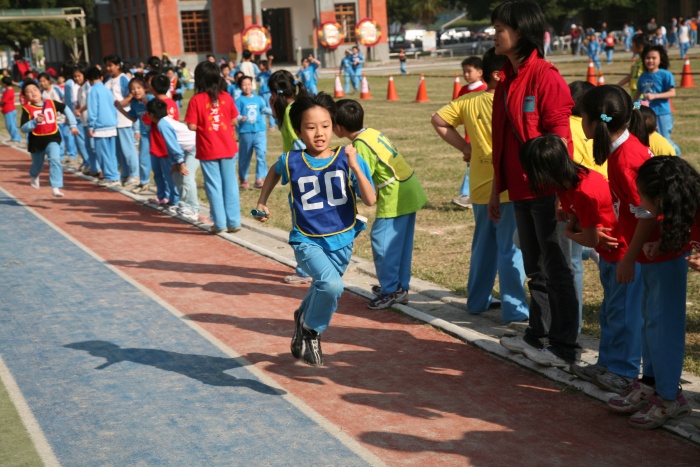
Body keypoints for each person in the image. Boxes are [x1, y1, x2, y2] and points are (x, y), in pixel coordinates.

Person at [253, 92, 376, 366]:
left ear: (335, 126)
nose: (319, 133)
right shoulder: (291, 160)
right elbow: (274, 170)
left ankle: (302, 317)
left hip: (343, 238)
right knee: (332, 284)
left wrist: (355, 167)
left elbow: (370, 200)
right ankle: (311, 330)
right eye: (310, 127)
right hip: (306, 239)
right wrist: (262, 202)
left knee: (324, 286)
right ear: (298, 131)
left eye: (325, 126)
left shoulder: (347, 157)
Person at [489, 1, 581, 368]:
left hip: (546, 190)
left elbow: (561, 141)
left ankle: (564, 347)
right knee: (535, 268)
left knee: (557, 268)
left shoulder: (545, 76)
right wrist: (496, 188)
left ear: (522, 32)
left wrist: (562, 193)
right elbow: (501, 141)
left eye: (500, 28)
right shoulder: (506, 79)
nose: (494, 34)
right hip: (520, 190)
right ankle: (537, 335)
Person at [577, 85, 671, 398]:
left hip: (639, 251)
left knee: (629, 315)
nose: (580, 123)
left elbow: (648, 212)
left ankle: (624, 372)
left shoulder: (626, 158)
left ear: (595, 122)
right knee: (615, 310)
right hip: (630, 246)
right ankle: (611, 363)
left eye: (582, 117)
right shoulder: (621, 151)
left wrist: (629, 257)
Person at [432, 48, 528, 323]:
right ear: (498, 75)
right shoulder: (511, 100)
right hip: (507, 187)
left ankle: (476, 301)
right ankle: (515, 309)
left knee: (483, 246)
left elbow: (438, 120)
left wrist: (465, 147)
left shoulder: (468, 101)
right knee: (510, 249)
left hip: (478, 186)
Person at [604, 156, 698, 429]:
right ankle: (656, 386)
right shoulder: (678, 205)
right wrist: (661, 242)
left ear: (660, 198)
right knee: (652, 323)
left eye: (642, 197)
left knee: (664, 326)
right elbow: (679, 227)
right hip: (664, 259)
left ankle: (670, 398)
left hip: (668, 269)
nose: (639, 204)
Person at [335, 98, 426, 309]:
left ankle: (390, 291)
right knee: (400, 244)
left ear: (339, 126)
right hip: (408, 186)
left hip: (396, 194)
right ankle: (399, 287)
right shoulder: (370, 132)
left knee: (383, 243)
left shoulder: (359, 145)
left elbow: (363, 177)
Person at [185, 61, 241, 234]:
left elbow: (191, 126)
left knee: (213, 186)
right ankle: (234, 221)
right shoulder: (226, 97)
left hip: (208, 148)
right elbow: (234, 120)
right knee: (230, 184)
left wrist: (206, 124)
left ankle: (219, 223)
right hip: (227, 147)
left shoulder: (196, 100)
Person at [268, 69, 313, 284]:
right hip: (312, 173)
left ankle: (305, 270)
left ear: (275, 93)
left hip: (301, 175)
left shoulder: (289, 111)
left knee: (301, 225)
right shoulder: (300, 105)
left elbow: (299, 145)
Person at [567, 81, 604, 331]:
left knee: (572, 263)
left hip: (579, 201)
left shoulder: (565, 126)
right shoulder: (603, 125)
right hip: (606, 200)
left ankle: (572, 327)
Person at [19, 79, 79, 197]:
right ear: (25, 96)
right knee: (38, 165)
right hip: (36, 141)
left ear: (40, 91)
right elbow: (24, 128)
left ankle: (56, 186)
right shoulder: (27, 109)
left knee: (55, 159)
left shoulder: (51, 103)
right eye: (29, 91)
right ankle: (34, 175)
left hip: (52, 137)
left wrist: (73, 124)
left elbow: (66, 109)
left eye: (35, 89)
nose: (33, 92)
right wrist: (34, 121)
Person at [147, 98, 199, 221]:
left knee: (187, 176)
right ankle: (184, 204)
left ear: (151, 115)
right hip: (185, 149)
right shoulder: (164, 121)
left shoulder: (162, 124)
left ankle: (193, 208)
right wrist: (175, 163)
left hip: (195, 146)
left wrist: (180, 162)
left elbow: (173, 145)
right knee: (176, 175)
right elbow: (171, 145)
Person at [452, 56, 488, 210]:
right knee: (472, 164)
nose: (466, 75)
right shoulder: (463, 90)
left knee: (473, 164)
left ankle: (467, 195)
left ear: (480, 72)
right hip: (469, 135)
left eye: (469, 71)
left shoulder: (484, 89)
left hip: (481, 135)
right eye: (464, 71)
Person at [633, 45, 680, 155]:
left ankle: (676, 154)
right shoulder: (643, 76)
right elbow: (638, 93)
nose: (650, 60)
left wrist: (655, 96)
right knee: (650, 139)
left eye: (654, 58)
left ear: (660, 59)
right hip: (647, 115)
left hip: (662, 113)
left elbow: (672, 93)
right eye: (647, 58)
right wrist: (632, 106)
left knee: (664, 139)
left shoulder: (666, 75)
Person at [104, 55, 139, 188]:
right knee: (119, 150)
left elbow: (131, 95)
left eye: (110, 65)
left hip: (123, 119)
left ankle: (134, 175)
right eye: (107, 65)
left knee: (128, 148)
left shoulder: (124, 79)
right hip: (111, 120)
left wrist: (119, 105)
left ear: (118, 65)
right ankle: (124, 173)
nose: (108, 68)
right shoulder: (108, 80)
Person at [115, 76, 154, 193]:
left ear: (145, 88)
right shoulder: (134, 103)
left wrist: (148, 104)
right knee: (143, 159)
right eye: (132, 89)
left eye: (138, 88)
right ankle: (144, 182)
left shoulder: (151, 99)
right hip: (145, 134)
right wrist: (120, 109)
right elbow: (133, 118)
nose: (136, 91)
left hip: (156, 134)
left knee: (159, 162)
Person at [148, 74, 181, 209]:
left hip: (161, 144)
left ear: (153, 89)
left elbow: (147, 120)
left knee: (167, 174)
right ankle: (163, 196)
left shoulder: (154, 104)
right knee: (162, 173)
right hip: (163, 143)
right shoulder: (173, 103)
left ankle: (173, 198)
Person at [86, 66, 120, 187]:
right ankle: (114, 175)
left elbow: (92, 110)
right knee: (111, 153)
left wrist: (90, 126)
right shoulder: (106, 89)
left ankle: (110, 176)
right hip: (111, 125)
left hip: (100, 127)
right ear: (101, 77)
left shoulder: (92, 91)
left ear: (89, 80)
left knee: (103, 154)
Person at [235, 75, 271, 189]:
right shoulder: (239, 100)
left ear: (252, 85)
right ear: (240, 87)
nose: (247, 87)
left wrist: (275, 111)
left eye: (249, 84)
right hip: (245, 132)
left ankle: (259, 178)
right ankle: (243, 178)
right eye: (244, 85)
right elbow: (235, 114)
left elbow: (263, 109)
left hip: (259, 131)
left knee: (261, 154)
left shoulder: (258, 99)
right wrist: (240, 118)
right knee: (245, 157)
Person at [256, 55, 275, 130]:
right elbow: (257, 80)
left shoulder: (268, 73)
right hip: (261, 94)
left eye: (260, 65)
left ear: (264, 66)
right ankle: (263, 124)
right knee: (262, 108)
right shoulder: (259, 74)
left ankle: (272, 125)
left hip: (268, 93)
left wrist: (269, 60)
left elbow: (269, 67)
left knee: (269, 108)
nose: (259, 66)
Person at [2, 76, 22, 146]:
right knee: (11, 125)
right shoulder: (9, 90)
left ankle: (16, 138)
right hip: (9, 109)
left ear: (5, 84)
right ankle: (14, 137)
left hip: (9, 110)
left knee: (11, 125)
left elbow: (3, 101)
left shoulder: (8, 91)